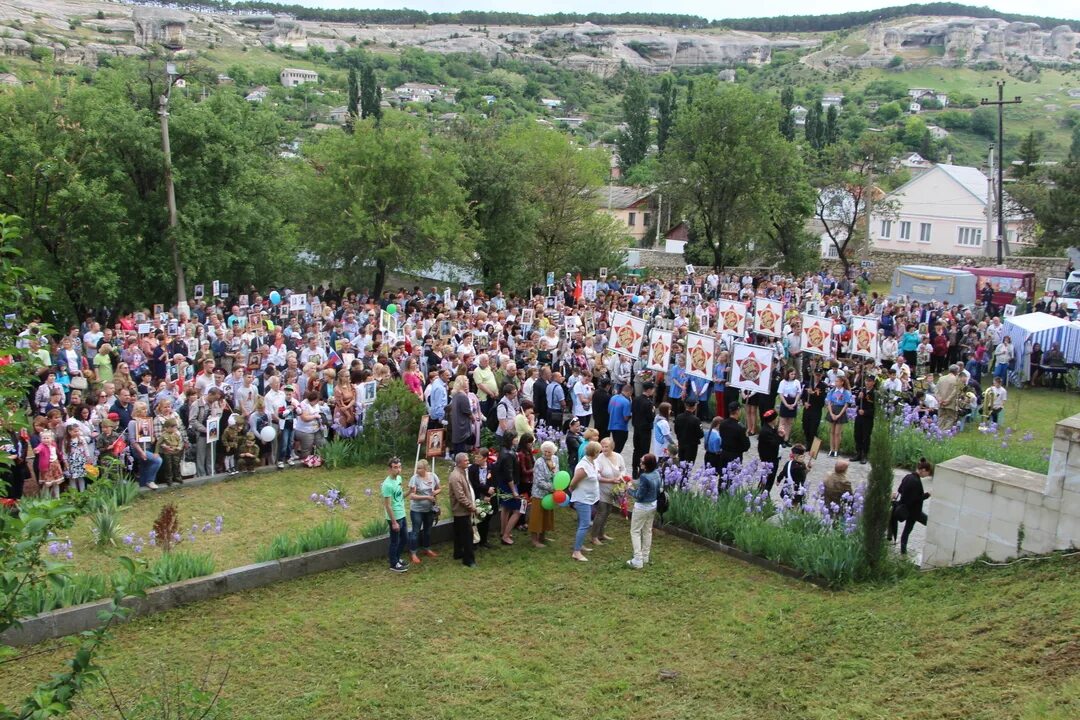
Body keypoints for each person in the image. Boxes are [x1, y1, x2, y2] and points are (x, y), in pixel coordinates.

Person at [889, 458, 933, 555]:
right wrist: (927, 495)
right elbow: (916, 499)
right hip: (914, 512)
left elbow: (900, 490)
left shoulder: (907, 477)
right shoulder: (916, 482)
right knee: (931, 524)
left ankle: (903, 552)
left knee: (906, 531)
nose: (927, 475)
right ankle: (904, 551)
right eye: (928, 473)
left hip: (907, 509)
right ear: (923, 470)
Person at [568, 440, 601, 562]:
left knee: (583, 523)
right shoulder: (583, 466)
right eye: (598, 452)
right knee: (585, 524)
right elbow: (573, 483)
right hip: (582, 499)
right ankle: (576, 551)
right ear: (595, 452)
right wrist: (574, 492)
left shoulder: (593, 462)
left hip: (590, 498)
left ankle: (580, 544)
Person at [627, 453, 660, 569]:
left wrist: (629, 489)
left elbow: (639, 496)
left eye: (642, 462)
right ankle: (645, 556)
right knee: (647, 531)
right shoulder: (656, 473)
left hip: (642, 508)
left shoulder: (645, 477)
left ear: (646, 465)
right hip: (653, 506)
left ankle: (637, 559)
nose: (640, 463)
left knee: (635, 531)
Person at [406, 459, 441, 564]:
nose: (417, 470)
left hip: (429, 509)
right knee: (415, 531)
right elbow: (412, 496)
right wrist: (427, 497)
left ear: (425, 469)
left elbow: (439, 488)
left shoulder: (433, 476)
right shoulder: (414, 479)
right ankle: (413, 553)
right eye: (417, 467)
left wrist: (435, 492)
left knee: (428, 530)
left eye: (419, 468)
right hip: (417, 510)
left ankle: (426, 548)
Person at [593, 437, 626, 545]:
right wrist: (611, 480)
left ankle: (601, 533)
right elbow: (596, 476)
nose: (604, 449)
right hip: (602, 489)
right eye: (602, 446)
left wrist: (621, 477)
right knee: (601, 512)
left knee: (608, 511)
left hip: (614, 490)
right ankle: (594, 537)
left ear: (612, 447)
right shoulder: (599, 459)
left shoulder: (618, 456)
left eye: (606, 446)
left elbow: (623, 469)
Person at [448, 452, 477, 567]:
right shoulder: (456, 476)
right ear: (459, 463)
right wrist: (471, 507)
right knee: (467, 535)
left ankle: (458, 553)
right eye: (466, 461)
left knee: (459, 534)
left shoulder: (462, 473)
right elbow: (460, 497)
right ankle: (468, 560)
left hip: (462, 510)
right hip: (461, 510)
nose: (468, 462)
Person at [381, 457, 409, 573]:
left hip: (402, 514)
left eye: (399, 467)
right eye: (395, 467)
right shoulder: (387, 485)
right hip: (394, 517)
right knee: (395, 541)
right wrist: (393, 522)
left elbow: (400, 497)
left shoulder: (399, 479)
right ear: (390, 469)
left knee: (405, 539)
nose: (398, 470)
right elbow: (387, 505)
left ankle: (397, 558)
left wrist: (410, 492)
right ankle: (393, 564)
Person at [494, 433, 521, 545]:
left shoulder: (503, 450)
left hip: (502, 484)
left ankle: (503, 531)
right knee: (518, 510)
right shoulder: (509, 454)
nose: (517, 439)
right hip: (509, 485)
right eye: (515, 438)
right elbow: (509, 474)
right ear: (511, 440)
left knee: (505, 508)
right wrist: (514, 491)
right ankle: (506, 536)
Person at [529, 440, 558, 548]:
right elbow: (539, 481)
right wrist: (552, 488)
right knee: (537, 516)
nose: (546, 454)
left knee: (547, 515)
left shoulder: (555, 459)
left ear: (553, 452)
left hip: (550, 493)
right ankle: (534, 540)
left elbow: (557, 473)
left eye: (549, 452)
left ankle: (543, 536)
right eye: (544, 451)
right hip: (539, 493)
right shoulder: (539, 462)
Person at [716, 402, 751, 472]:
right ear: (738, 411)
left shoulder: (723, 424)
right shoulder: (740, 428)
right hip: (735, 456)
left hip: (724, 454)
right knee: (734, 479)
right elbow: (746, 446)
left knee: (723, 478)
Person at [630, 382, 656, 478]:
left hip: (636, 428)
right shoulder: (649, 403)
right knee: (644, 450)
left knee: (636, 449)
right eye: (653, 389)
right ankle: (641, 470)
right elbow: (651, 417)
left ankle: (634, 469)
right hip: (645, 429)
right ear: (649, 390)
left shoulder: (636, 399)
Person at [825, 377, 853, 458]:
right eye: (835, 381)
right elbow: (829, 402)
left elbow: (846, 404)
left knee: (837, 433)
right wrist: (831, 413)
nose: (835, 383)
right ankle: (831, 449)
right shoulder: (832, 391)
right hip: (833, 410)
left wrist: (839, 415)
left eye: (837, 381)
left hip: (840, 411)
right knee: (832, 432)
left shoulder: (846, 392)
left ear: (842, 382)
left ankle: (836, 450)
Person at [852, 374, 876, 464]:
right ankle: (858, 453)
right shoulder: (862, 390)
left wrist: (865, 412)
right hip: (859, 416)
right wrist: (859, 397)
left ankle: (864, 455)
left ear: (873, 382)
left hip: (867, 418)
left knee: (866, 437)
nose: (867, 383)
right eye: (866, 381)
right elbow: (857, 403)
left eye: (869, 381)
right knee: (857, 435)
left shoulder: (874, 393)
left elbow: (874, 408)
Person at [757, 409, 783, 492]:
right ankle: (763, 494)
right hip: (769, 460)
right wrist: (780, 436)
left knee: (768, 480)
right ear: (772, 420)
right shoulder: (766, 431)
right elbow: (774, 443)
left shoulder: (770, 428)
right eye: (776, 418)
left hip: (772, 458)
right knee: (767, 481)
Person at [778, 444, 811, 508]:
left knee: (786, 504)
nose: (803, 458)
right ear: (797, 456)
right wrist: (806, 469)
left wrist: (778, 480)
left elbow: (783, 472)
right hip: (796, 489)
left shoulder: (789, 463)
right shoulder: (800, 466)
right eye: (802, 456)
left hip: (787, 487)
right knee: (794, 505)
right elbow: (802, 476)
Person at [156, 417, 185, 486]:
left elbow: (180, 441)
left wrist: (179, 447)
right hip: (167, 452)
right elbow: (158, 443)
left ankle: (177, 477)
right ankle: (169, 478)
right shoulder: (164, 435)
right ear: (167, 428)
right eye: (172, 427)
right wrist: (157, 451)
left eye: (175, 427)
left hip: (176, 451)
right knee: (168, 466)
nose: (174, 429)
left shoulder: (176, 434)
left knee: (176, 464)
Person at [776, 367, 802, 443]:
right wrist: (786, 404)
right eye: (791, 374)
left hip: (793, 401)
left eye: (794, 374)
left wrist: (795, 403)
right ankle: (780, 438)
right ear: (788, 374)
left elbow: (799, 392)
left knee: (789, 422)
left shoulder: (797, 382)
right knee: (782, 422)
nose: (793, 376)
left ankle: (786, 439)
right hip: (785, 401)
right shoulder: (783, 382)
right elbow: (780, 394)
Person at [607, 382, 632, 453]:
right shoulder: (626, 402)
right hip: (621, 428)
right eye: (630, 394)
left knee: (614, 446)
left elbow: (609, 411)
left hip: (612, 425)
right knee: (617, 449)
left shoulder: (613, 398)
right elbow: (626, 417)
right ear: (628, 392)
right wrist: (631, 415)